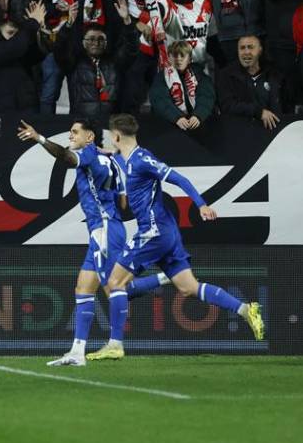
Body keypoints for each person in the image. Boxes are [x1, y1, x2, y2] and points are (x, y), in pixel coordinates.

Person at [82, 112, 265, 363]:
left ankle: (115, 344)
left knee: (115, 282)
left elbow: (178, 178)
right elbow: (116, 159)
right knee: (189, 287)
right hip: (167, 232)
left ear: (116, 136)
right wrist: (102, 152)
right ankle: (245, 309)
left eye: (110, 136)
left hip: (153, 232)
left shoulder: (142, 159)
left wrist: (201, 205)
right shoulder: (127, 159)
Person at [14, 116, 170, 368]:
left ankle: (165, 279)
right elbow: (123, 202)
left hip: (104, 230)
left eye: (75, 132)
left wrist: (39, 138)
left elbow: (65, 156)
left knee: (118, 289)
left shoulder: (87, 154)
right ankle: (77, 352)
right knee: (83, 288)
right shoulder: (112, 160)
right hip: (106, 228)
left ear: (89, 137)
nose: (70, 136)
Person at [216, 34, 283, 129]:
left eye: (251, 47)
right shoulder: (226, 75)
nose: (246, 52)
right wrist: (259, 112)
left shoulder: (273, 74)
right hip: (239, 131)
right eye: (242, 48)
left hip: (273, 130)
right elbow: (227, 106)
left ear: (260, 50)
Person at [149, 41, 216, 131]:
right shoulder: (161, 77)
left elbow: (206, 96)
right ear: (169, 57)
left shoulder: (199, 74)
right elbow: (160, 100)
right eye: (175, 55)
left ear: (190, 59)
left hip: (198, 122)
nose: (178, 59)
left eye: (182, 56)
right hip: (171, 124)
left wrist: (198, 115)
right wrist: (177, 117)